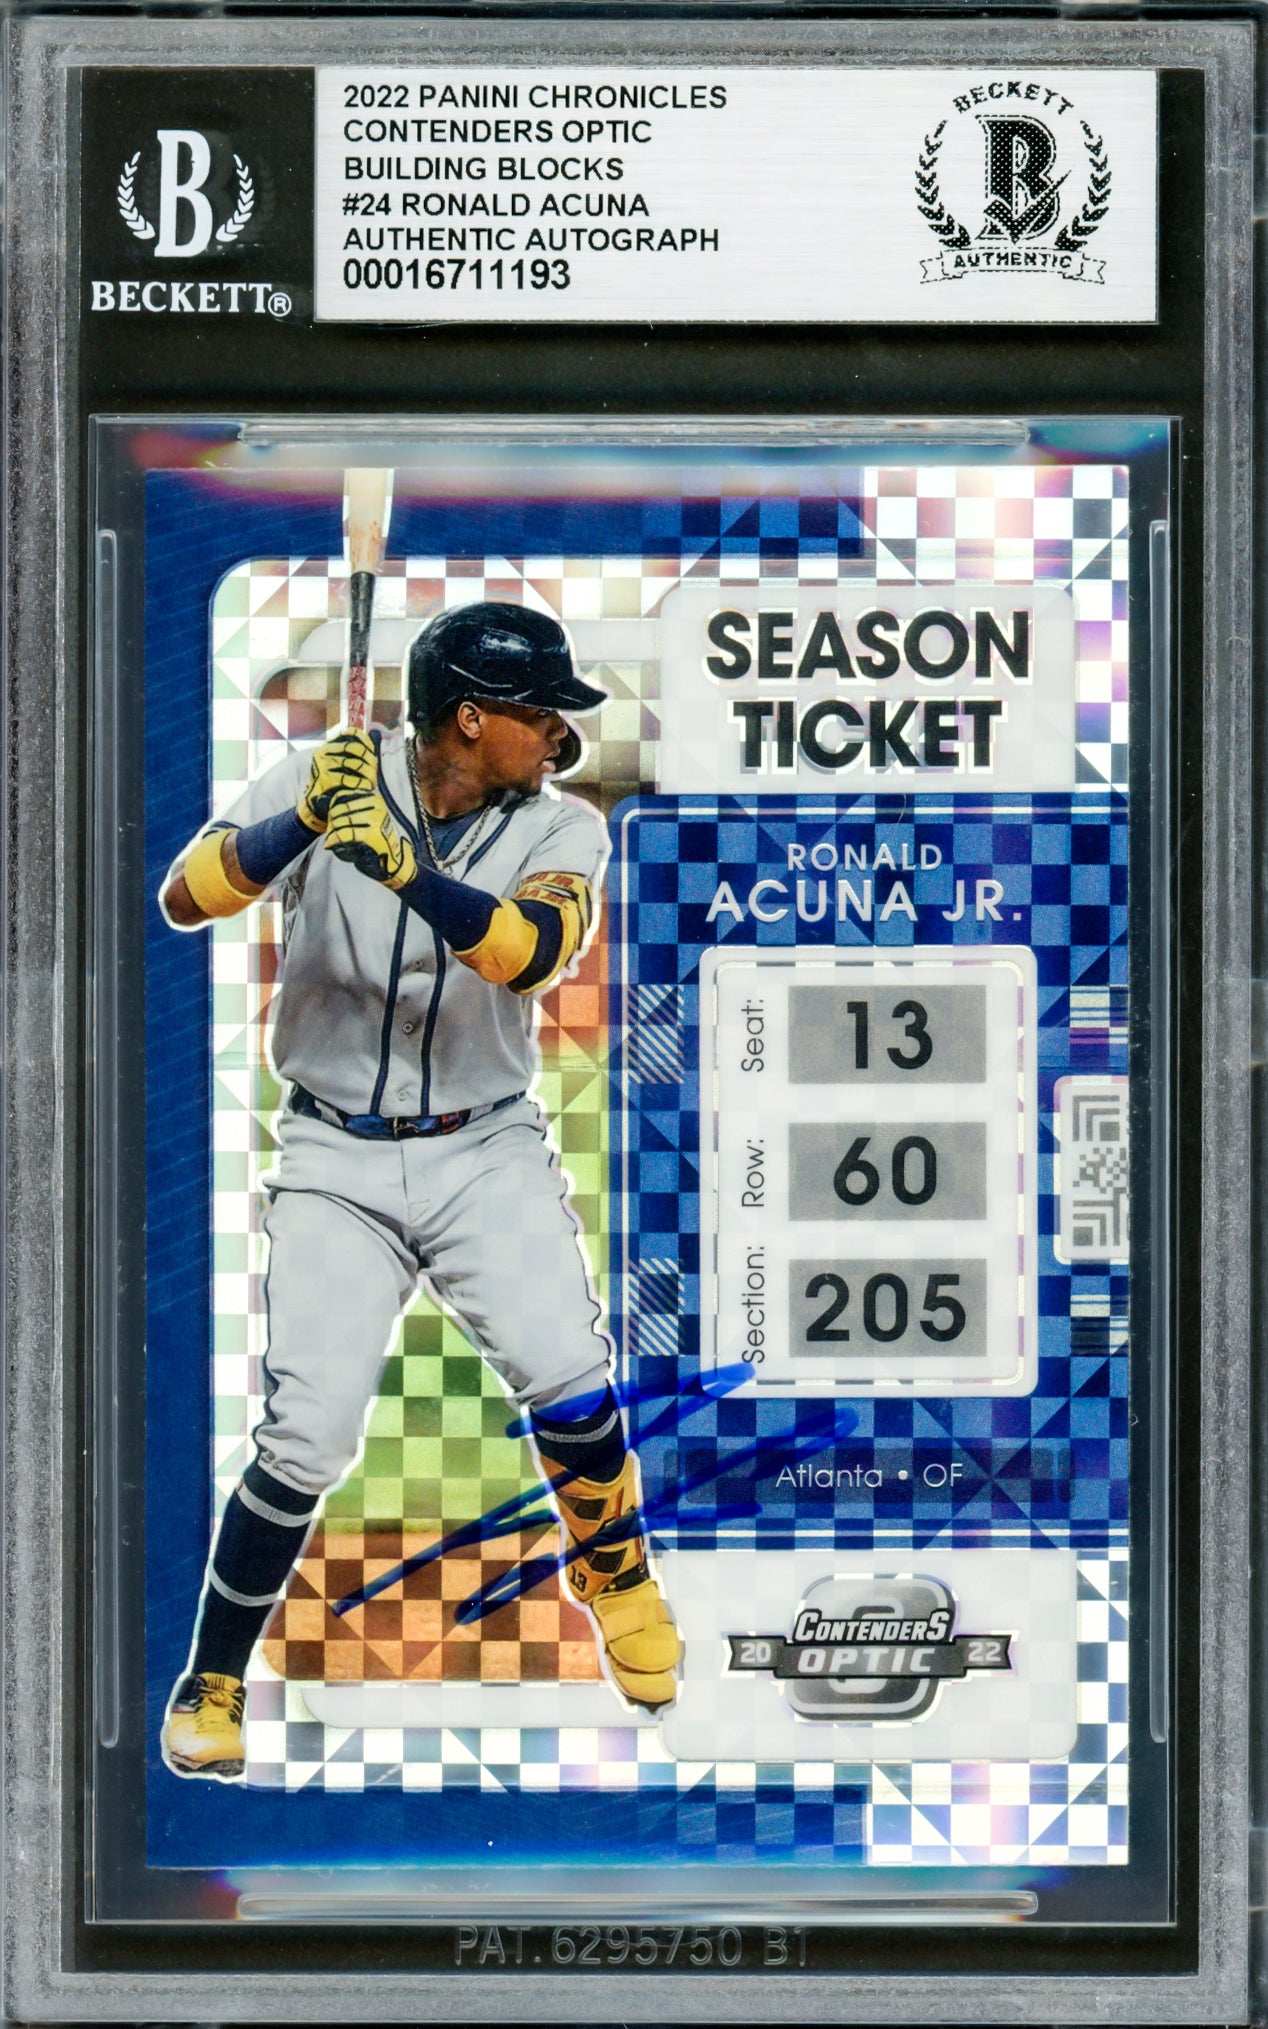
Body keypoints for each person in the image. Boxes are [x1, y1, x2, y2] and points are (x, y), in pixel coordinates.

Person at [159, 600, 680, 1780]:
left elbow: (529, 953)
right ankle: (215, 1675)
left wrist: (403, 872)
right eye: (539, 713)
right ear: (471, 717)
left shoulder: (564, 825)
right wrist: (298, 822)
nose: (559, 734)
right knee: (307, 1430)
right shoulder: (325, 778)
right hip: (334, 1158)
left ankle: (620, 1583)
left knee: (566, 1366)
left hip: (482, 1150)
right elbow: (186, 897)